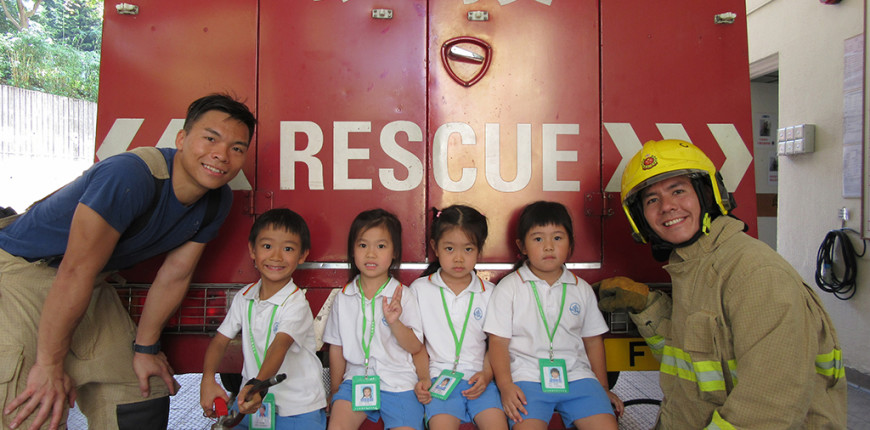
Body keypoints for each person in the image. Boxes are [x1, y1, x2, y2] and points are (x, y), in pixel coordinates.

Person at [0, 93, 256, 429]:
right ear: (182, 139)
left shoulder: (216, 200)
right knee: (36, 406)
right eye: (210, 139)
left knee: (142, 391)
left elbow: (176, 274)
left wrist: (146, 349)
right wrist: (49, 364)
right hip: (22, 272)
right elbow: (75, 270)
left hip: (90, 282)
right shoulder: (129, 175)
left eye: (236, 148)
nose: (221, 155)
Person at [599, 139, 847, 428]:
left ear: (707, 194)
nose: (667, 206)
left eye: (678, 191)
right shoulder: (693, 267)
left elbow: (768, 408)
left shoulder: (756, 274)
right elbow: (691, 362)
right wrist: (648, 306)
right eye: (652, 200)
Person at [484, 201, 623, 430]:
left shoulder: (581, 288)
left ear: (570, 243)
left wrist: (603, 387)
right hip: (526, 379)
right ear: (522, 246)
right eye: (538, 239)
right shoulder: (509, 287)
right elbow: (498, 342)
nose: (549, 247)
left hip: (578, 377)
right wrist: (506, 386)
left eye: (557, 238)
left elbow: (593, 341)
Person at [200, 208, 327, 429]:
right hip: (252, 400)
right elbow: (220, 341)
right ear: (252, 250)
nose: (276, 257)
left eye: (288, 249)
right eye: (267, 246)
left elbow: (279, 346)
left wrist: (257, 386)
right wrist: (207, 379)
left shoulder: (296, 303)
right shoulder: (244, 297)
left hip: (298, 408)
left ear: (302, 255)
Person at [323, 209, 425, 430]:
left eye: (381, 246)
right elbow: (336, 347)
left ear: (395, 252)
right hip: (355, 380)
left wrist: (395, 322)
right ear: (352, 250)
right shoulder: (344, 297)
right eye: (363, 245)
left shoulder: (403, 295)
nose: (371, 254)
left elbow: (415, 347)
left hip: (399, 383)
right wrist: (335, 389)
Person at [410, 205, 507, 430]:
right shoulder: (420, 289)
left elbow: (495, 344)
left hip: (479, 380)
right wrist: (424, 378)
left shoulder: (491, 293)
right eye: (449, 248)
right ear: (435, 247)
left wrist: (486, 374)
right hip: (438, 380)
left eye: (468, 249)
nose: (459, 258)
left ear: (479, 249)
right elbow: (417, 345)